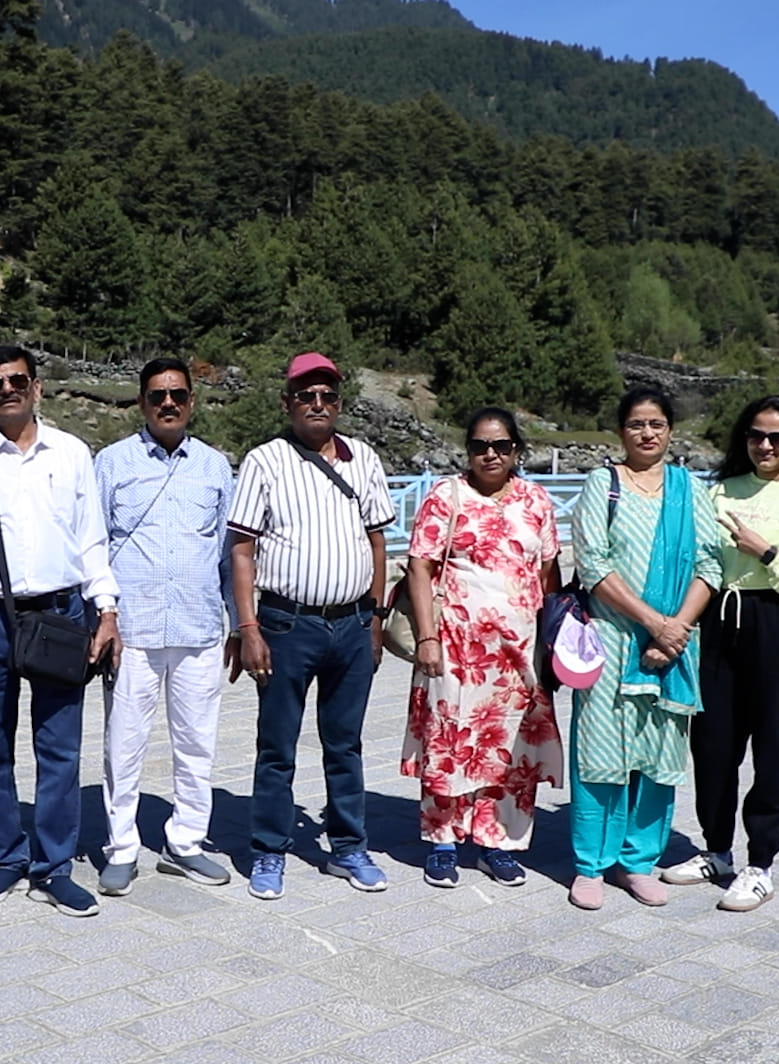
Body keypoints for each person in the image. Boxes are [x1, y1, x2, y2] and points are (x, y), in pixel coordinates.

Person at [0, 345, 120, 916]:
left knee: (59, 748)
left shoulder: (72, 453)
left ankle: (53, 865)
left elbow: (91, 537)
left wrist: (106, 610)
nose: (8, 390)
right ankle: (4, 857)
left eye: (17, 380)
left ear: (37, 387)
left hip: (59, 615)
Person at [662, 395, 779, 911]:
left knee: (773, 749)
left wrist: (767, 551)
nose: (765, 446)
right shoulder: (717, 492)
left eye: (777, 438)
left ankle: (760, 862)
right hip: (719, 620)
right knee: (714, 745)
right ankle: (715, 849)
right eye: (755, 435)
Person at [229, 352, 394, 901]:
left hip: (350, 624)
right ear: (288, 403)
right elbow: (242, 548)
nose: (318, 405)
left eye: (327, 396)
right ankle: (269, 850)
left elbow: (377, 541)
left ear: (339, 404)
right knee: (277, 745)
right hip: (286, 623)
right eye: (307, 396)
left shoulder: (363, 459)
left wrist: (374, 617)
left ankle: (348, 846)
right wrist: (247, 625)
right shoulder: (265, 461)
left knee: (344, 743)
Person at [566, 386, 720, 911]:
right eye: (636, 424)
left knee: (658, 756)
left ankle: (638, 862)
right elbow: (593, 565)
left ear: (671, 430)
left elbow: (709, 565)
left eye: (656, 424)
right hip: (612, 642)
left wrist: (675, 630)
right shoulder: (601, 484)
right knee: (599, 753)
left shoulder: (689, 489)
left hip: (675, 647)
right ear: (621, 431)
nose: (647, 433)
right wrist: (655, 623)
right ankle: (590, 864)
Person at [401, 407, 564, 889]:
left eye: (501, 446)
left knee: (512, 747)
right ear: (467, 450)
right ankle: (443, 841)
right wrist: (427, 638)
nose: (490, 455)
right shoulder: (444, 496)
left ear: (517, 449)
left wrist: (553, 643)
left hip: (519, 653)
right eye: (479, 446)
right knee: (450, 742)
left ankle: (498, 842)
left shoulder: (537, 501)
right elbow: (419, 568)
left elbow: (548, 574)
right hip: (456, 648)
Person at [93, 357, 236, 896]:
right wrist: (104, 615)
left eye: (178, 394)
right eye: (157, 396)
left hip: (200, 628)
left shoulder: (215, 466)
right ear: (142, 403)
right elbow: (95, 546)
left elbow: (229, 551)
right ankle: (122, 845)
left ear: (192, 401)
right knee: (124, 743)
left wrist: (238, 623)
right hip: (134, 630)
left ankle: (185, 843)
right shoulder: (111, 463)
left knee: (197, 742)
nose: (168, 403)